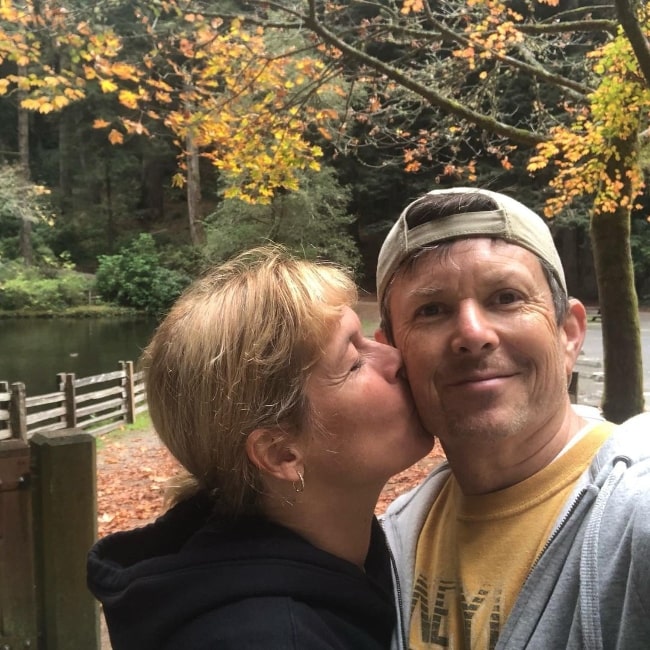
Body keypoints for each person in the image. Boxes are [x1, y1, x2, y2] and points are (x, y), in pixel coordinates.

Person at [87, 246, 433, 650]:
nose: (393, 357)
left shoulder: (341, 560)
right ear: (280, 453)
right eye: (355, 360)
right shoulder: (272, 637)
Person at [375, 187, 650, 649]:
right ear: (391, 354)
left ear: (568, 334)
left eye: (505, 297)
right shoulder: (392, 539)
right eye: (432, 310)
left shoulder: (635, 517)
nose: (473, 334)